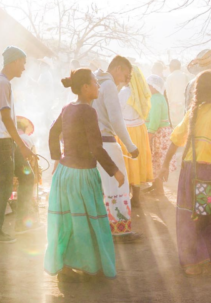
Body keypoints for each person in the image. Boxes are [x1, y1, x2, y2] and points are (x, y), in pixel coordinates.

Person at [45, 68, 124, 282]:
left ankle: (65, 263)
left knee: (69, 220)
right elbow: (96, 148)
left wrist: (56, 158)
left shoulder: (68, 108)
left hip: (64, 173)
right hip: (82, 175)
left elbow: (53, 133)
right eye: (95, 83)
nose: (98, 86)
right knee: (88, 221)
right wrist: (115, 171)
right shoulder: (89, 111)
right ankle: (89, 265)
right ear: (85, 87)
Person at [159, 70, 211, 277]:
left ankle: (190, 263)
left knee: (189, 216)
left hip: (189, 171)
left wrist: (164, 165)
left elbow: (175, 140)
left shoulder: (193, 111)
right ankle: (207, 257)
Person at [0, 46, 41, 243]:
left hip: (6, 141)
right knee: (5, 186)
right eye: (23, 63)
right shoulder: (1, 83)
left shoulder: (3, 82)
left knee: (27, 178)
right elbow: (6, 119)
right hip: (1, 142)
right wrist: (23, 145)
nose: (24, 68)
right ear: (14, 61)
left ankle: (21, 223)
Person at [92, 55, 140, 242]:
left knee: (101, 188)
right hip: (107, 142)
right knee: (118, 186)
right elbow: (116, 119)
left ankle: (103, 229)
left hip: (94, 143)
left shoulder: (95, 81)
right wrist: (131, 146)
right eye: (126, 75)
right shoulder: (109, 85)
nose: (125, 80)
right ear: (118, 69)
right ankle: (120, 231)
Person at [117, 66, 153, 207]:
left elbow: (116, 112)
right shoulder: (142, 92)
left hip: (126, 131)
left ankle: (125, 198)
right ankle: (136, 197)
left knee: (126, 163)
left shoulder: (124, 92)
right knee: (137, 162)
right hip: (140, 129)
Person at [145, 75, 175, 196]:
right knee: (156, 160)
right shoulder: (158, 97)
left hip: (158, 133)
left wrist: (149, 134)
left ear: (153, 86)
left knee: (156, 160)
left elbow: (155, 120)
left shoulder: (155, 99)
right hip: (160, 132)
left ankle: (158, 188)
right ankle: (155, 186)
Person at [165, 59, 189, 127]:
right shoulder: (185, 76)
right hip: (183, 104)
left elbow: (168, 93)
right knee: (183, 125)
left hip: (173, 105)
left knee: (175, 126)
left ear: (171, 67)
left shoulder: (170, 77)